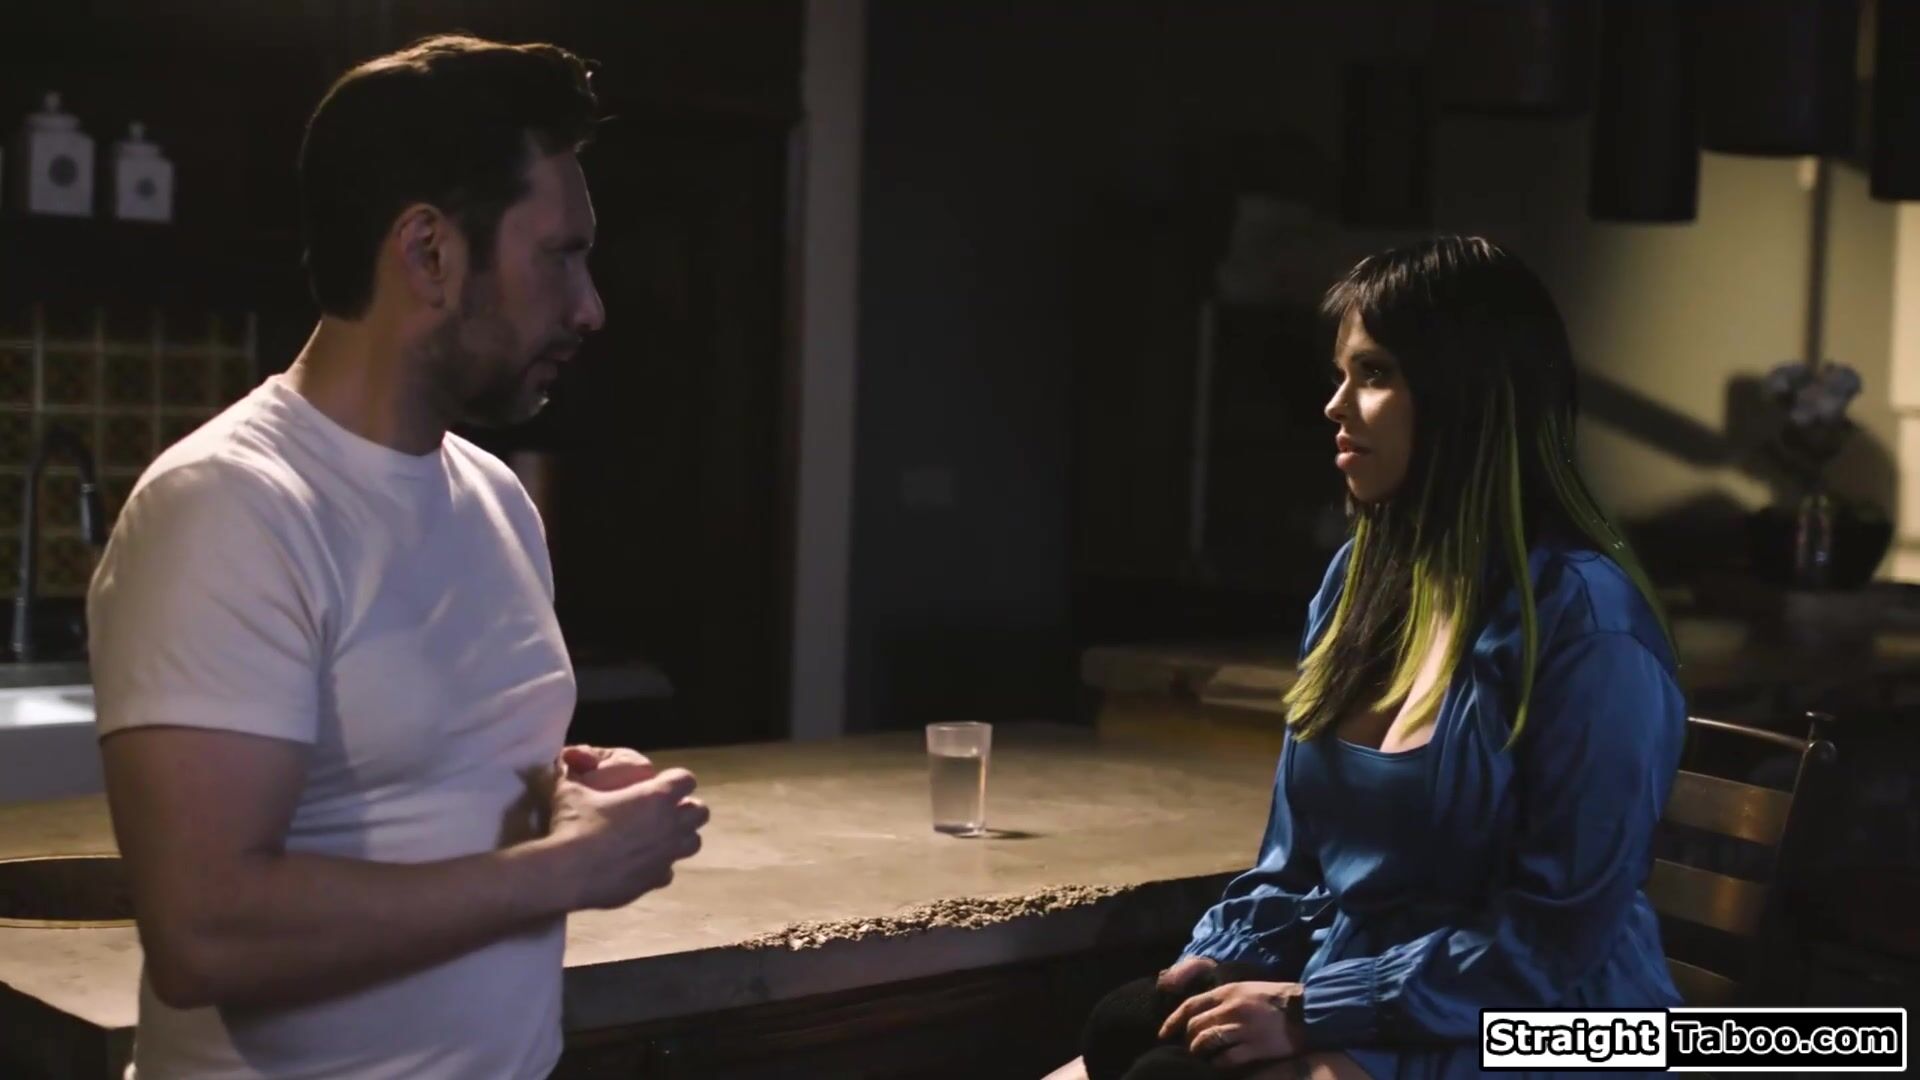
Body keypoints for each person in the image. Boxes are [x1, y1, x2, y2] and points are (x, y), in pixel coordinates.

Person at [86, 35, 708, 1080]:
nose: (591, 305)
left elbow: (399, 776)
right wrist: (569, 866)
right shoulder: (229, 506)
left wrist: (548, 788)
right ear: (429, 253)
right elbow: (206, 934)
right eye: (560, 255)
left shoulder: (497, 499)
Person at [1056, 237, 1684, 1080]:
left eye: (1375, 374)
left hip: (1548, 1021)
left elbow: (1555, 936)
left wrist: (1312, 1009)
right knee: (1120, 1033)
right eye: (1341, 374)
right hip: (1371, 985)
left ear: (1468, 396)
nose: (1335, 405)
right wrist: (1223, 954)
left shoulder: (1589, 627)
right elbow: (1296, 864)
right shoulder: (1360, 581)